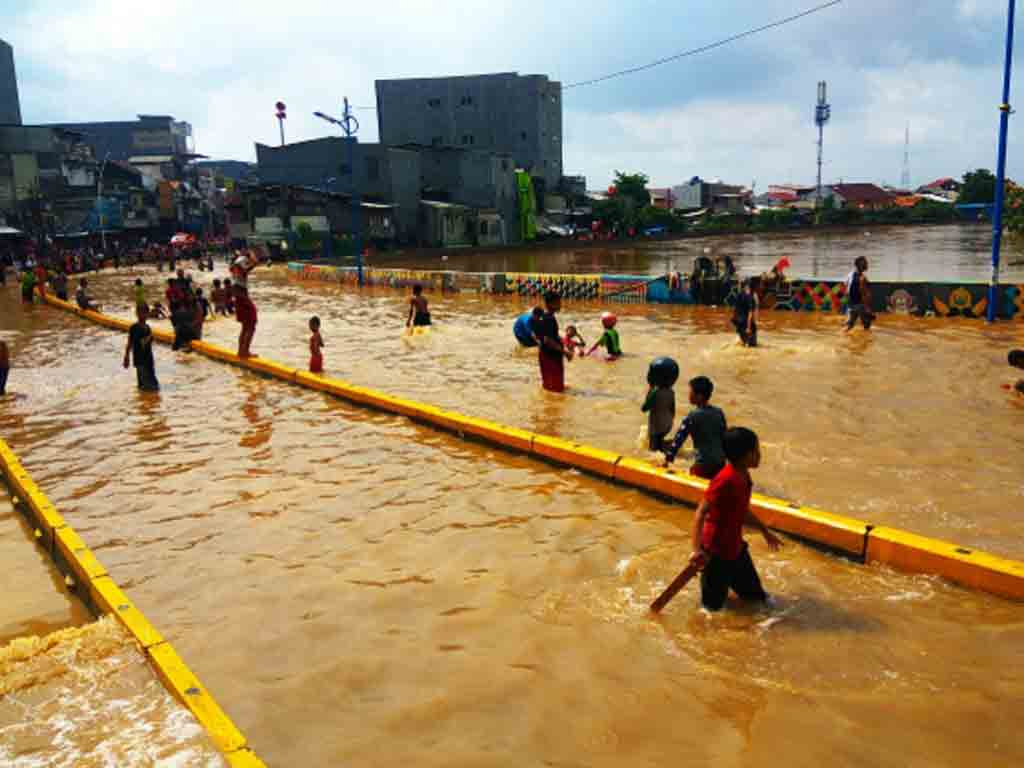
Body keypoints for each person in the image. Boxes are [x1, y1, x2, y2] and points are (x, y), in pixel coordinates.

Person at [690, 427, 783, 612]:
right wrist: (696, 550)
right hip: (715, 555)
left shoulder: (743, 476)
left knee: (757, 599)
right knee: (711, 611)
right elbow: (700, 513)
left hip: (735, 550)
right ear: (744, 456)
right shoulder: (724, 480)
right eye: (756, 451)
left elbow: (741, 510)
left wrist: (764, 530)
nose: (759, 455)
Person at [664, 376, 728, 479]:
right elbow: (725, 437)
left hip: (703, 464)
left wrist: (667, 459)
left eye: (690, 392)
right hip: (720, 463)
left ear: (699, 396)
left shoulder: (692, 416)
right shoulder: (719, 412)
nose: (688, 395)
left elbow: (679, 439)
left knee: (693, 476)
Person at [535, 291, 572, 393]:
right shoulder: (549, 318)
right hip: (551, 356)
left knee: (549, 386)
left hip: (546, 354)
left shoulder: (544, 317)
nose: (560, 305)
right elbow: (548, 340)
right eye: (558, 302)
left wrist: (563, 343)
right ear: (551, 304)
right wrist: (565, 352)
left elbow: (549, 336)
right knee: (556, 389)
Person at [123, 303, 159, 392]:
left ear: (147, 314)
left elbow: (147, 345)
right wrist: (126, 357)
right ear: (136, 313)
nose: (141, 315)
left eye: (143, 313)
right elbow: (130, 343)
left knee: (148, 386)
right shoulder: (135, 327)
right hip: (140, 360)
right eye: (139, 312)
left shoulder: (147, 328)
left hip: (147, 360)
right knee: (149, 386)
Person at [642, 374, 675, 452]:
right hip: (668, 424)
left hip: (656, 426)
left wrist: (649, 393)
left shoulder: (654, 392)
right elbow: (672, 410)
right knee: (659, 442)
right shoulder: (671, 391)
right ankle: (668, 446)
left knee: (652, 450)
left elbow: (644, 408)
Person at [844, 256, 874, 331]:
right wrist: (868, 309)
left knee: (849, 327)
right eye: (866, 263)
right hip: (860, 305)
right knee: (867, 326)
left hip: (851, 304)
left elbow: (846, 288)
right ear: (861, 265)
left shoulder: (850, 274)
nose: (867, 265)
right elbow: (865, 294)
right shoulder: (863, 278)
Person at [732, 279, 759, 347]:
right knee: (752, 346)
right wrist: (748, 327)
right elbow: (750, 314)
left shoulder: (740, 294)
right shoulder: (751, 297)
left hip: (738, 322)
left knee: (742, 343)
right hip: (746, 323)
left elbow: (735, 309)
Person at [234, 284, 257, 358]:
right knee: (251, 328)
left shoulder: (236, 275)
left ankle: (241, 351)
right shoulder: (240, 277)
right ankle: (245, 352)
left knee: (245, 328)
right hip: (244, 302)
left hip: (240, 301)